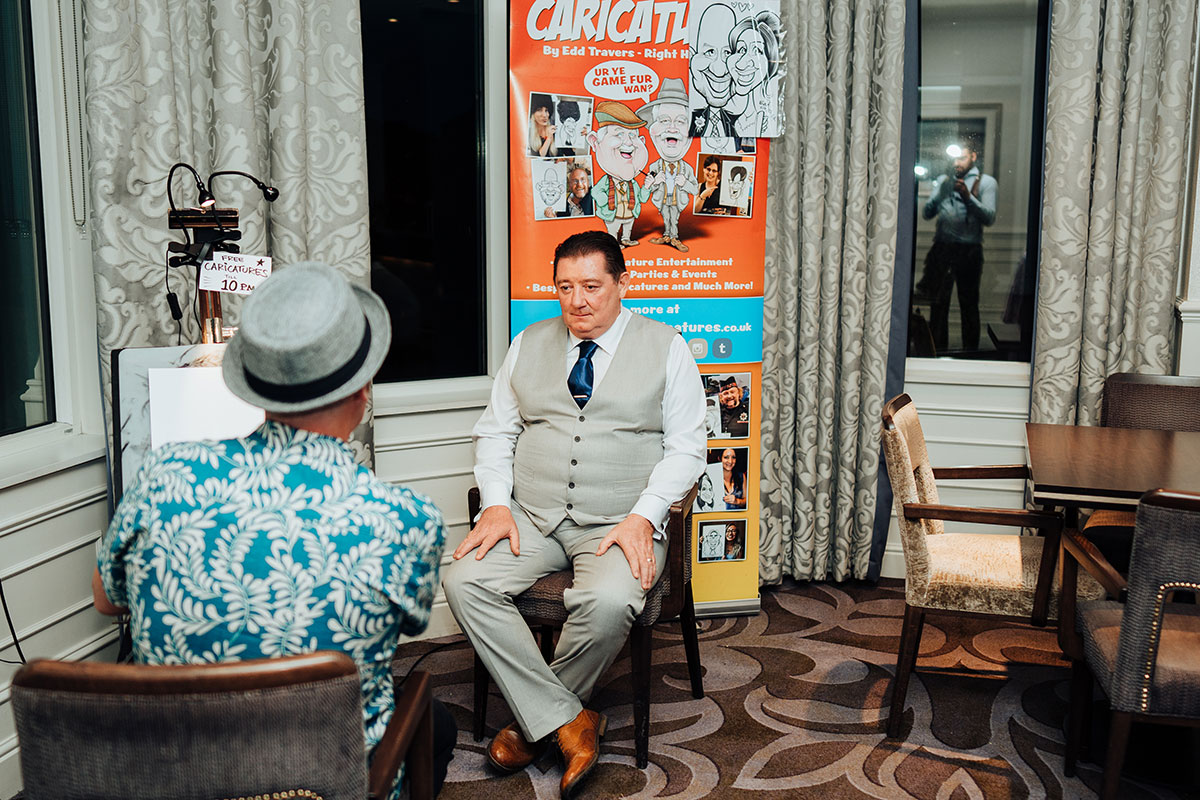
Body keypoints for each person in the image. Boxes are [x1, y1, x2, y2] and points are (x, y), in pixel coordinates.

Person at [92, 263, 455, 799]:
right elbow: (402, 625)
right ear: (364, 389)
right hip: (324, 784)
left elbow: (106, 600)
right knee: (437, 721)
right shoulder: (404, 519)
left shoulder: (162, 475)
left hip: (179, 776)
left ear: (254, 389)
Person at [443, 231, 705, 799]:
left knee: (609, 599)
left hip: (620, 520)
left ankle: (535, 724)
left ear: (621, 284)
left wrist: (644, 517)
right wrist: (494, 505)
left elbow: (688, 448)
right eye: (565, 287)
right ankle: (568, 718)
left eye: (591, 286)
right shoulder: (528, 342)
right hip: (533, 516)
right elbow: (496, 431)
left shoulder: (667, 347)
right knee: (464, 581)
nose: (578, 301)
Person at [916, 142, 997, 352]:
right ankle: (936, 353)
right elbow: (927, 213)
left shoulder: (987, 182)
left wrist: (968, 197)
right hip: (941, 250)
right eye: (953, 158)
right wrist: (941, 193)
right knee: (938, 305)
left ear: (973, 156)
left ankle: (970, 356)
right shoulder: (944, 181)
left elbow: (989, 218)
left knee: (968, 304)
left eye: (961, 158)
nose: (956, 162)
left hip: (969, 252)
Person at [637, 78, 698, 253]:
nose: (672, 129)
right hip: (662, 200)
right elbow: (646, 190)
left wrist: (683, 183)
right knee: (666, 215)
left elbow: (695, 190)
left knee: (674, 218)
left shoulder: (687, 169)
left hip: (677, 200)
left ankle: (674, 237)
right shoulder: (655, 166)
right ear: (652, 130)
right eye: (664, 121)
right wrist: (654, 183)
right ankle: (667, 235)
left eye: (680, 121)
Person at [588, 101, 652, 247]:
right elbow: (596, 191)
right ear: (595, 142)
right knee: (612, 229)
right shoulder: (605, 181)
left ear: (642, 141)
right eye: (619, 134)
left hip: (629, 213)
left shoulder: (633, 183)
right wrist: (604, 200)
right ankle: (612, 243)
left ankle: (626, 238)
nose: (628, 142)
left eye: (632, 135)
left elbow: (641, 198)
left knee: (628, 226)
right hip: (613, 214)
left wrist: (647, 186)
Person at [727, 10, 783, 138]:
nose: (741, 64)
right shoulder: (722, 113)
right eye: (741, 49)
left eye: (757, 51)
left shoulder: (771, 120)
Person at [689, 3, 738, 138]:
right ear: (692, 56)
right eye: (710, 52)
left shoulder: (742, 123)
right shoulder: (684, 123)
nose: (719, 71)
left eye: (728, 53)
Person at [529, 93, 557, 157]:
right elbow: (539, 157)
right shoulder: (529, 135)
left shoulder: (554, 130)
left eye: (546, 110)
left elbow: (568, 154)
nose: (544, 115)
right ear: (532, 113)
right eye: (539, 110)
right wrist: (549, 138)